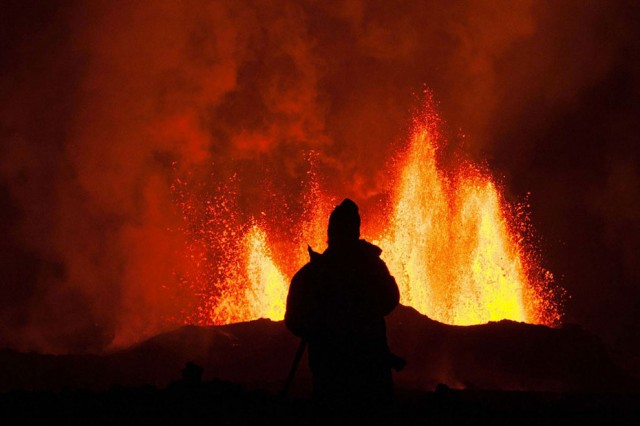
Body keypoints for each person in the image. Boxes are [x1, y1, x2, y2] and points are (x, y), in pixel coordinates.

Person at [285, 199, 400, 406]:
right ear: (356, 231)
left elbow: (294, 320)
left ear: (330, 233)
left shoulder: (312, 273)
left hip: (329, 369)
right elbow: (391, 298)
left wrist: (320, 330)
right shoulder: (372, 268)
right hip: (370, 367)